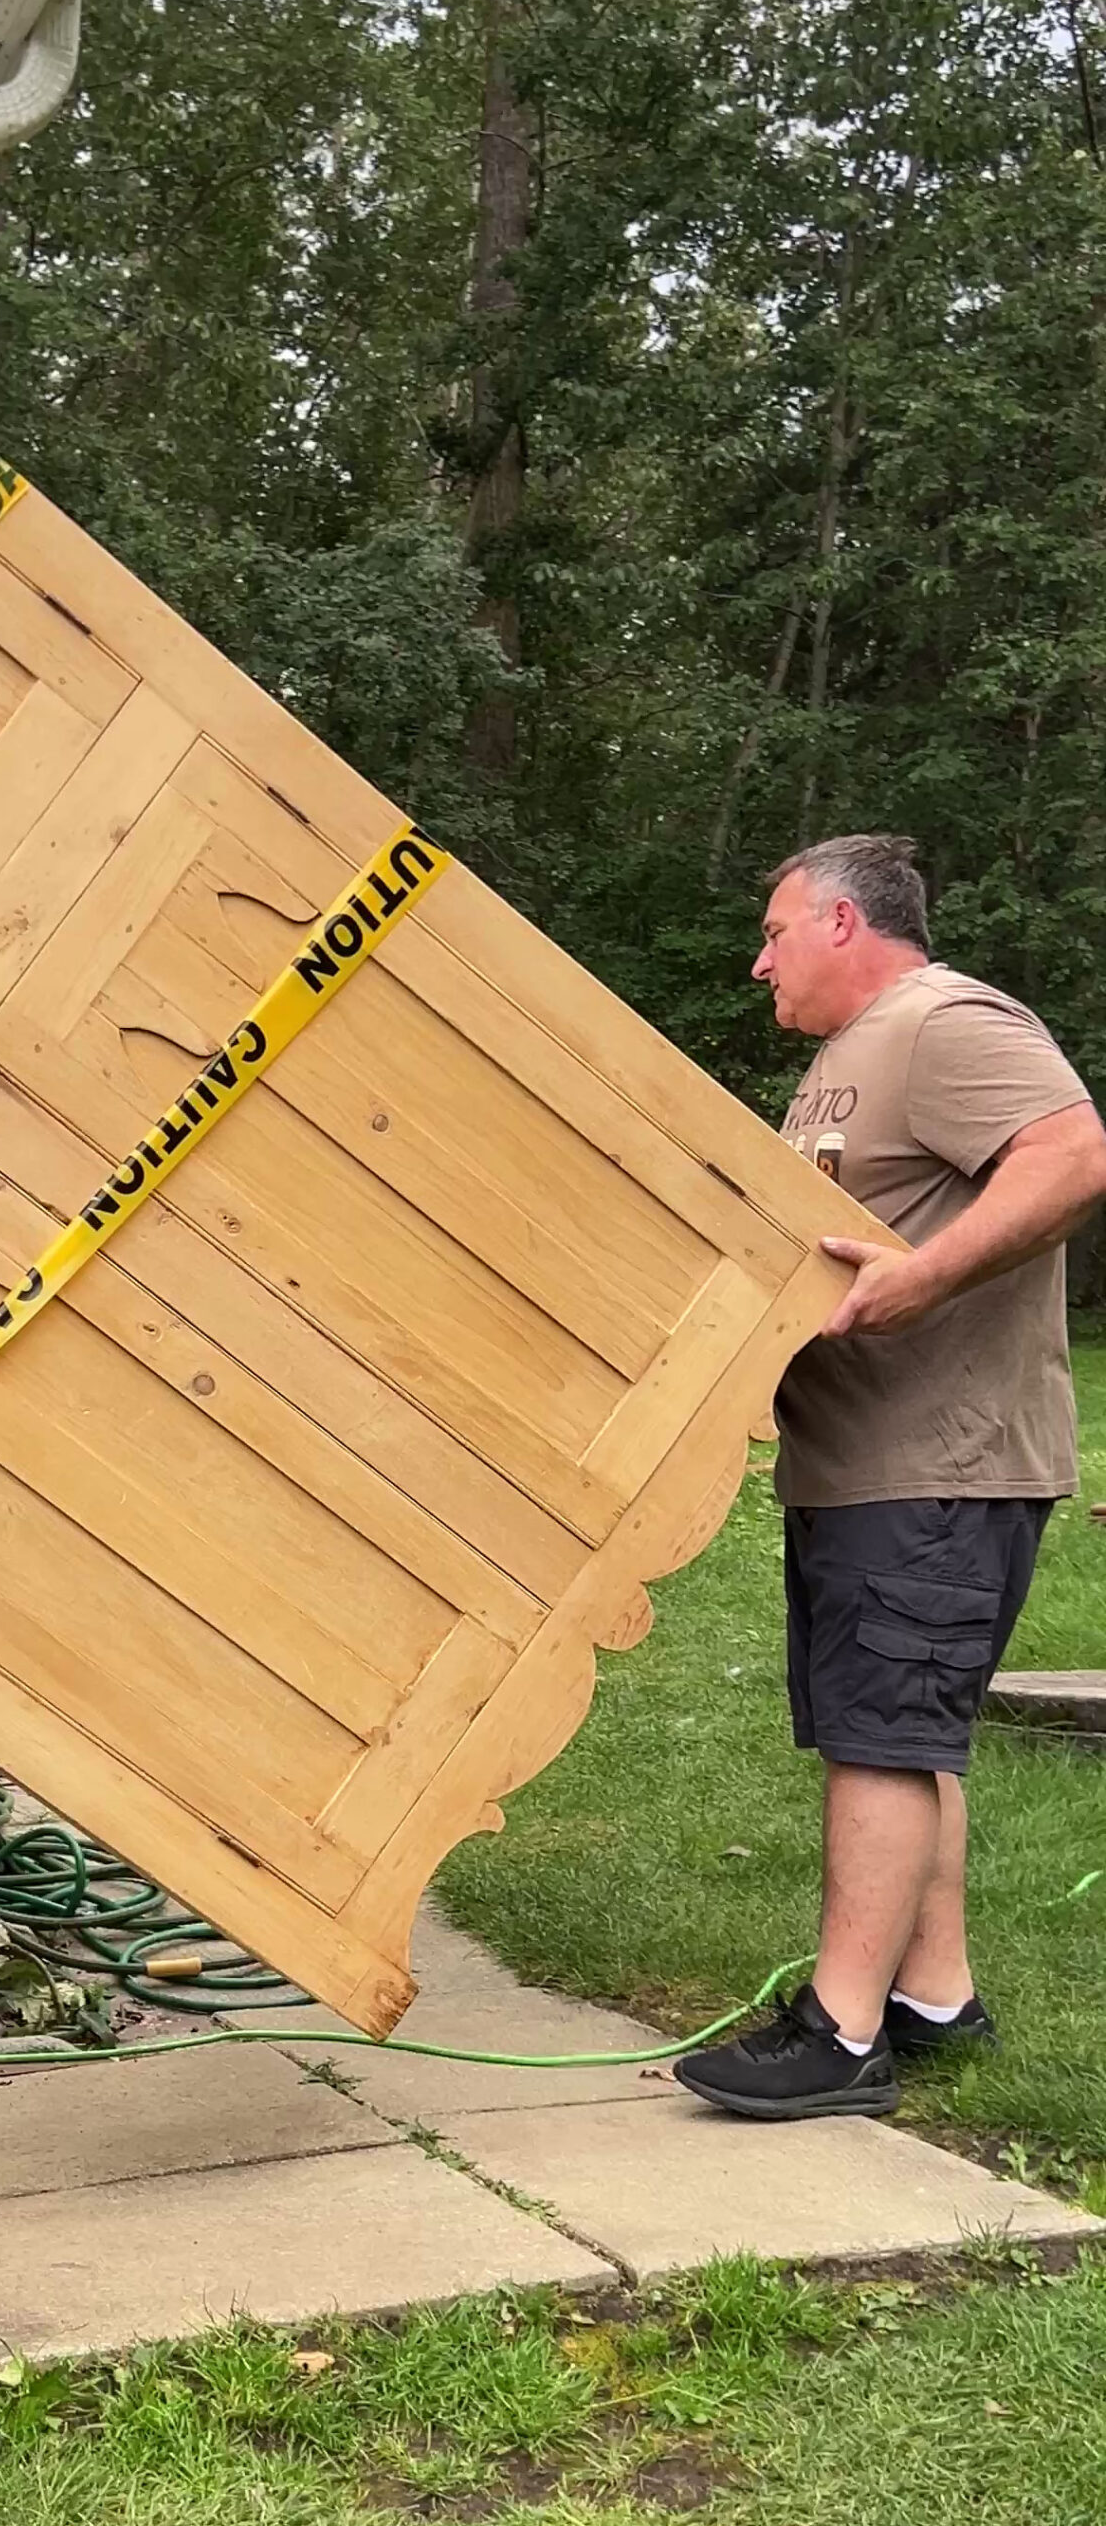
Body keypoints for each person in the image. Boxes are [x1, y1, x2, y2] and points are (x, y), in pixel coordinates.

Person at [675, 833, 1106, 2120]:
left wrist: (923, 1278)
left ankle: (840, 2031)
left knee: (880, 1738)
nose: (758, 963)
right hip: (858, 1462)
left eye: (774, 932)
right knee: (902, 1735)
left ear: (843, 923)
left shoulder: (944, 1021)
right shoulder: (844, 1061)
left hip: (937, 1462)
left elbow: (1072, 1153)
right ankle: (929, 1995)